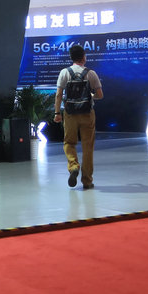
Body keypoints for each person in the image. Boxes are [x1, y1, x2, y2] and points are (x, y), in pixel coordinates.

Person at [52, 45, 103, 189]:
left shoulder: (64, 72)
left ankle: (73, 166)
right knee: (88, 147)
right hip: (87, 114)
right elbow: (100, 95)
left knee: (69, 142)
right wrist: (90, 96)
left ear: (71, 58)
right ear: (84, 57)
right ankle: (87, 181)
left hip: (70, 114)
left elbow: (58, 95)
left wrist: (57, 113)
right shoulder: (91, 73)